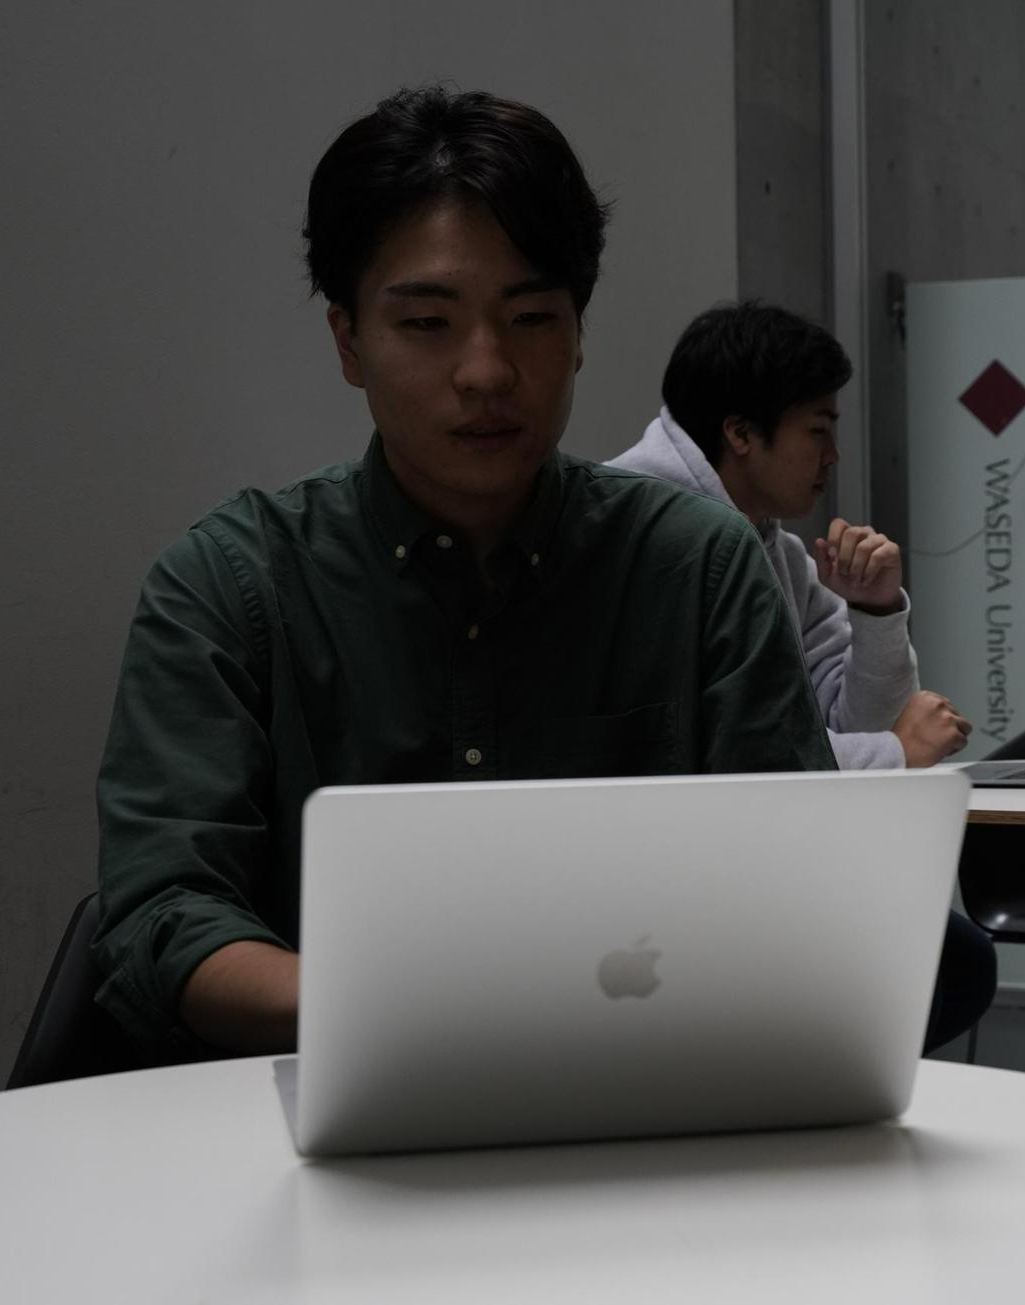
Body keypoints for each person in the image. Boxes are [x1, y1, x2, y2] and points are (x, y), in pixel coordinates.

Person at [90, 88, 836, 1061]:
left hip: (644, 1092)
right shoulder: (230, 586)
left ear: (578, 334)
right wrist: (407, 1000)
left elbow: (802, 887)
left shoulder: (697, 569)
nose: (486, 371)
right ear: (349, 341)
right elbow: (162, 915)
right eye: (427, 323)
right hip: (311, 1100)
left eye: (529, 317)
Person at [608, 302, 972, 770]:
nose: (833, 454)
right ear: (741, 433)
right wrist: (896, 754)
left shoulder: (779, 553)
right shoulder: (637, 538)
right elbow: (723, 752)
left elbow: (856, 725)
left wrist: (876, 611)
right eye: (818, 431)